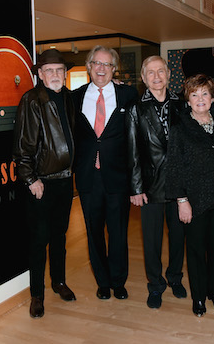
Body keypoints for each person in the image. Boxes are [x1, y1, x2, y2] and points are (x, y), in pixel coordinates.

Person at [167, 74, 214, 317]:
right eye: (194, 94)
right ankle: (199, 297)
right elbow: (175, 166)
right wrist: (181, 200)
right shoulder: (180, 127)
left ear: (212, 98)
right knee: (197, 250)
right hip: (194, 199)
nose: (200, 99)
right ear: (188, 100)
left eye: (204, 94)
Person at [12, 49, 76, 318]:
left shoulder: (70, 98)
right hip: (41, 184)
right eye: (49, 70)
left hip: (65, 181)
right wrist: (31, 180)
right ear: (40, 74)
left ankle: (59, 281)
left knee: (60, 237)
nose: (55, 75)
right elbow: (22, 146)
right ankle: (37, 295)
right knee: (39, 241)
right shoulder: (32, 100)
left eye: (59, 70)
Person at [72, 45, 138, 301]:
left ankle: (118, 281)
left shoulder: (128, 95)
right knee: (94, 231)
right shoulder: (74, 97)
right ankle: (102, 281)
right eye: (96, 63)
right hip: (88, 177)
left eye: (107, 65)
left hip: (117, 176)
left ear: (114, 69)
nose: (101, 69)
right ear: (89, 66)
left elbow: (135, 136)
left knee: (119, 232)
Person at [126, 56, 187, 309]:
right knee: (151, 240)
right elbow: (132, 152)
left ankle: (175, 278)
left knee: (178, 235)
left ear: (168, 74)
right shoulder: (136, 108)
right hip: (150, 186)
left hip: (179, 184)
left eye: (161, 71)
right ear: (143, 77)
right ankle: (155, 285)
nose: (156, 76)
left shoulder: (182, 105)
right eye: (151, 72)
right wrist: (136, 188)